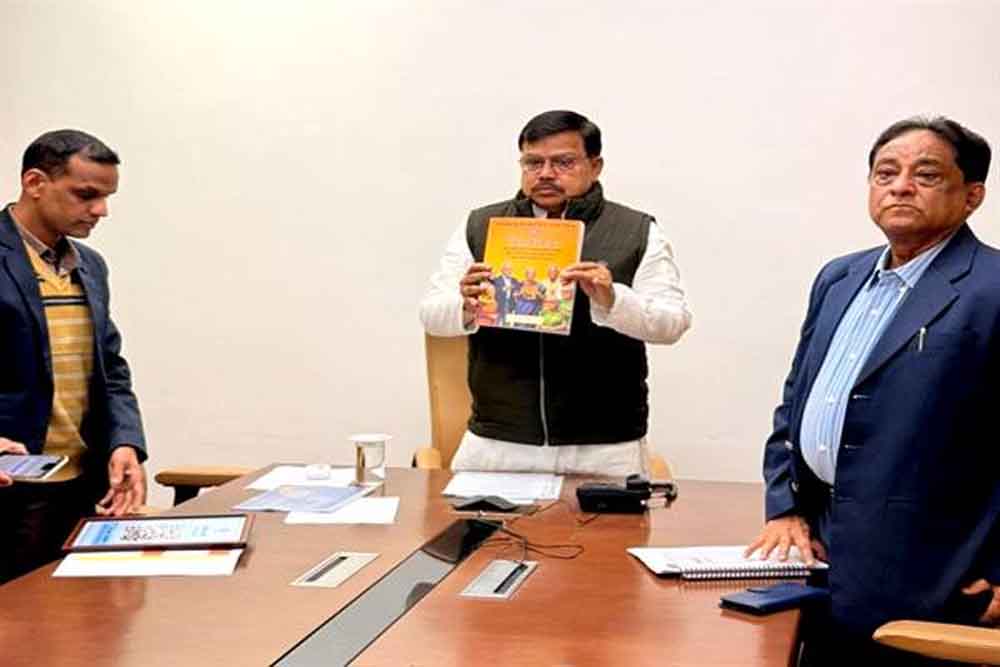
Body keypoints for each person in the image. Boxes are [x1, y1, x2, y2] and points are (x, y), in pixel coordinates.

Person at [747, 116, 999, 664]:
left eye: (926, 175)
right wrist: (784, 507)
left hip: (937, 573)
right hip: (821, 557)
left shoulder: (992, 287)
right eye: (886, 173)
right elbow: (795, 402)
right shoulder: (839, 278)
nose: (900, 186)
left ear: (972, 196)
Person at [419, 110, 691, 475]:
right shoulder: (481, 226)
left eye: (563, 162)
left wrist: (613, 300)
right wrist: (465, 305)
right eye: (533, 162)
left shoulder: (635, 230)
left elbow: (673, 323)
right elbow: (431, 315)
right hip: (498, 441)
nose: (545, 173)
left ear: (595, 166)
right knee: (467, 517)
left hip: (605, 444)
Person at [0, 129, 147, 583]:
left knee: (84, 619)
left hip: (81, 489)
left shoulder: (90, 265)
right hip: (10, 493)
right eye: (86, 195)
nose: (101, 210)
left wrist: (126, 442)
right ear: (35, 183)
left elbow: (110, 368)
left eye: (106, 197)